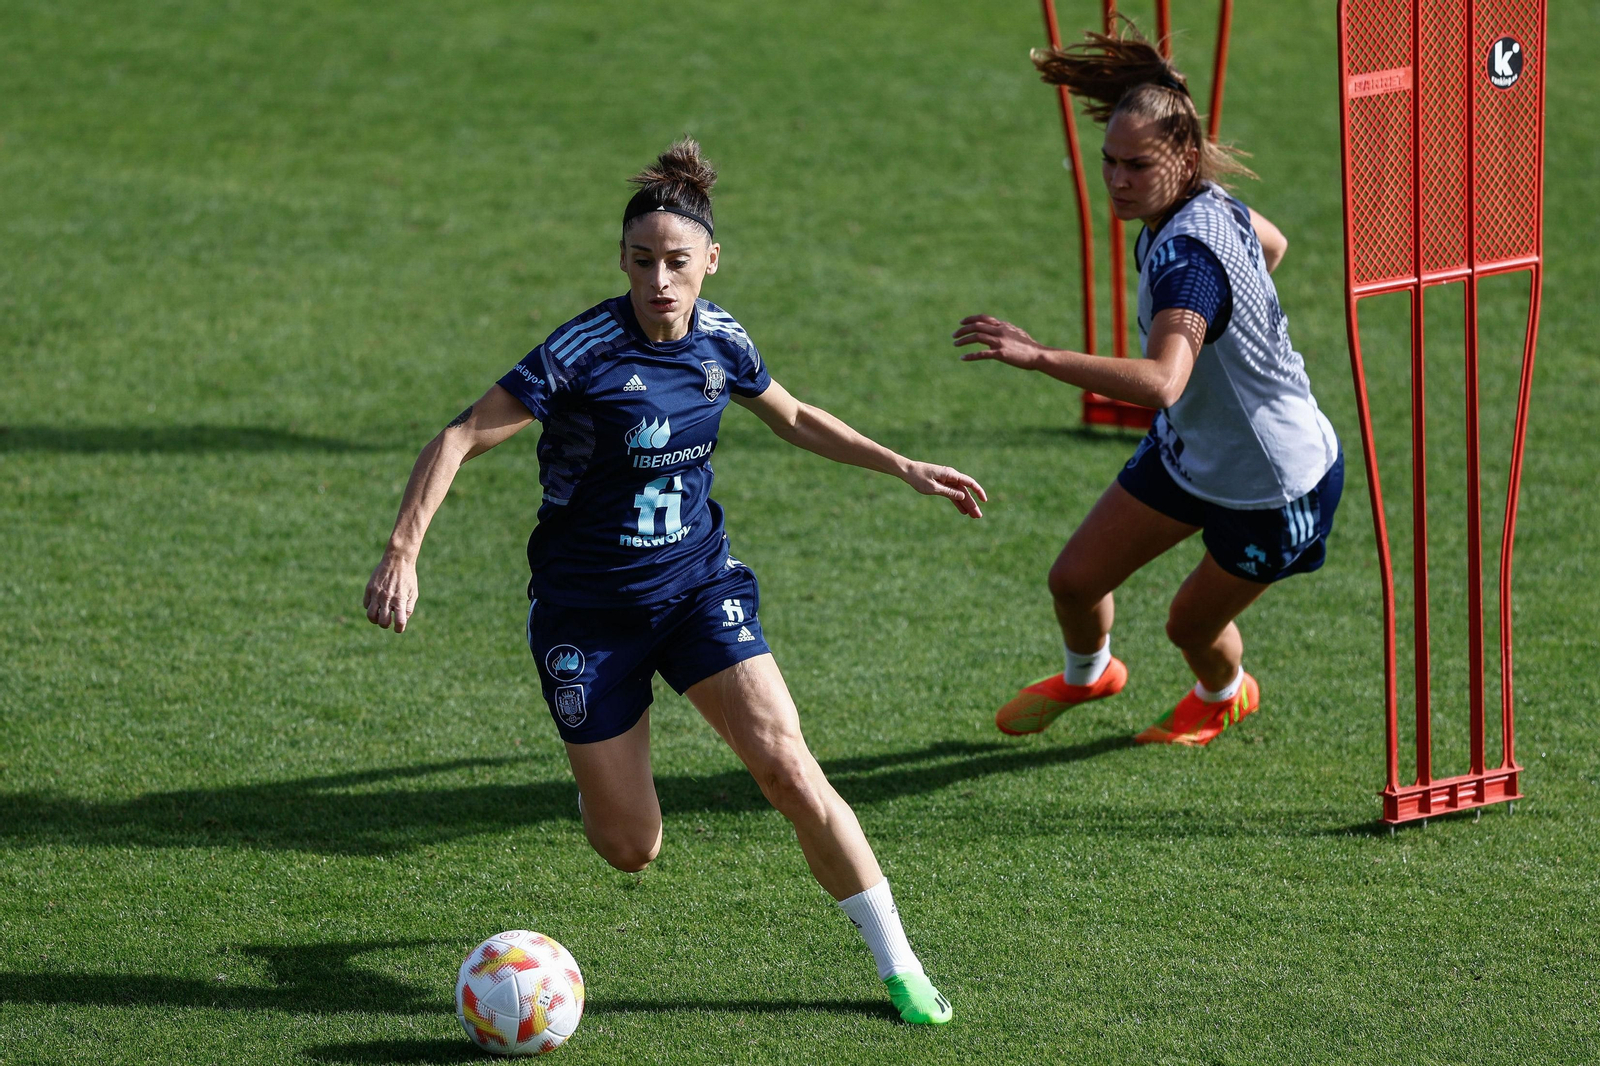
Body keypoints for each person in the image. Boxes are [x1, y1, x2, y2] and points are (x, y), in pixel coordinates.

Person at [365, 139, 984, 1024]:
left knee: (787, 765)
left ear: (710, 263)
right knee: (631, 847)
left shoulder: (722, 338)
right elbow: (463, 434)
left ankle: (899, 965)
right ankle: (603, 771)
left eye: (678, 263)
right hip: (587, 614)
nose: (661, 280)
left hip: (698, 588)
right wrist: (402, 551)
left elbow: (796, 415)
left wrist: (901, 464)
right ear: (621, 261)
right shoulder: (581, 350)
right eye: (644, 261)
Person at [953, 25, 1343, 747]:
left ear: (1184, 158)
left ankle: (1225, 692)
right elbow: (1275, 243)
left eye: (1136, 165)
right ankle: (1088, 674)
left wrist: (1039, 358)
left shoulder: (1188, 259)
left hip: (1273, 482)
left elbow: (1164, 381)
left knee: (1189, 624)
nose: (1117, 181)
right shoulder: (1200, 205)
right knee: (1074, 580)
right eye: (1108, 163)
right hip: (1196, 449)